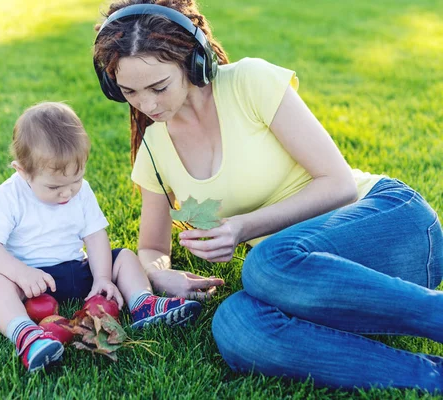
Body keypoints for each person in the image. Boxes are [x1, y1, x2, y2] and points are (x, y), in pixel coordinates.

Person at [92, 0, 443, 392]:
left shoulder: (248, 83)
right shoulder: (155, 147)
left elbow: (338, 182)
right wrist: (160, 274)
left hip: (390, 226)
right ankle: (430, 377)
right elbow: (152, 244)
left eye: (159, 87)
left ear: (193, 61)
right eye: (130, 92)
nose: (148, 105)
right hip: (314, 285)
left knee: (263, 264)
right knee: (235, 325)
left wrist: (242, 228)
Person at [0, 102, 201, 372]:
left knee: (125, 257)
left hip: (78, 271)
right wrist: (21, 273)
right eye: (54, 186)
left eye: (76, 180)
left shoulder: (81, 192)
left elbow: (95, 236)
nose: (67, 193)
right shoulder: (9, 196)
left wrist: (103, 277)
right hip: (31, 282)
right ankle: (26, 335)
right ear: (22, 171)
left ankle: (143, 303)